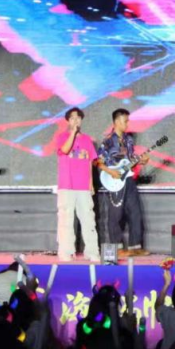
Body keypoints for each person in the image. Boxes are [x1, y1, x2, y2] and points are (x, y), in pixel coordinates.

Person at [97, 108, 150, 257]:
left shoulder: (129, 140)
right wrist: (111, 172)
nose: (127, 123)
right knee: (116, 215)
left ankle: (135, 246)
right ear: (116, 121)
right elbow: (98, 162)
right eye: (125, 121)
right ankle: (117, 248)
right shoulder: (108, 141)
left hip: (129, 179)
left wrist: (141, 160)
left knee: (135, 212)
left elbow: (130, 160)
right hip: (115, 180)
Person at [56, 107, 101, 262]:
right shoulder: (62, 137)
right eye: (72, 118)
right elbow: (65, 150)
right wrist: (73, 134)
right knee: (65, 220)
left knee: (88, 219)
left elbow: (89, 162)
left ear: (81, 120)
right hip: (66, 184)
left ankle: (92, 251)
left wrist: (91, 184)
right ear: (68, 121)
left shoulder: (87, 140)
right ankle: (66, 251)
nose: (76, 120)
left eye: (78, 118)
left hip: (83, 185)